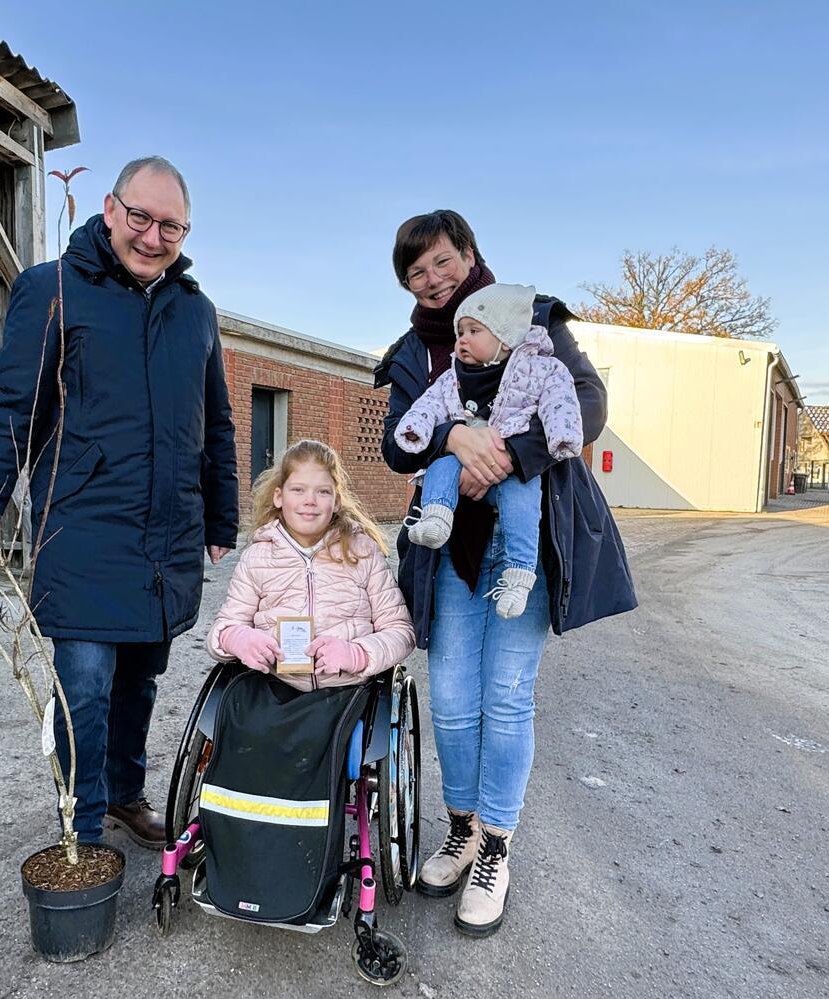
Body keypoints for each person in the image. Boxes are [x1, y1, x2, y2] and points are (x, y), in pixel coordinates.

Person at [0, 156, 239, 850]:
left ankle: (125, 794)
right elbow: (11, 411)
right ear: (109, 210)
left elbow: (215, 421)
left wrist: (221, 515)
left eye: (171, 225)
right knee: (86, 691)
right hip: (83, 530)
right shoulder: (52, 290)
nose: (153, 235)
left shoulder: (196, 312)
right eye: (141, 217)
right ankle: (84, 821)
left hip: (166, 536)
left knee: (141, 682)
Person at [375, 210, 636, 937]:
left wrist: (508, 455)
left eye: (441, 262)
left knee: (507, 695)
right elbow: (399, 445)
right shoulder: (410, 353)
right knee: (455, 698)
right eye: (416, 273)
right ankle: (461, 826)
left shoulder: (533, 318)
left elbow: (586, 405)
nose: (432, 281)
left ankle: (495, 846)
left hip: (524, 538)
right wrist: (458, 436)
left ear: (469, 255)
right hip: (450, 548)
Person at [397, 283, 583, 619]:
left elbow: (562, 402)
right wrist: (416, 430)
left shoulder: (541, 369)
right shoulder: (452, 376)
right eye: (459, 332)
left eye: (474, 331)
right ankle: (437, 517)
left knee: (523, 502)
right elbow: (427, 406)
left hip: (512, 471)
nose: (462, 340)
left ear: (506, 337)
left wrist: (563, 436)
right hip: (463, 474)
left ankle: (519, 573)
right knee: (440, 467)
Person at [207, 439, 414, 690]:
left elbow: (401, 631)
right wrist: (238, 638)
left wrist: (357, 654)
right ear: (279, 497)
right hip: (273, 691)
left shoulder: (363, 552)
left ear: (336, 501)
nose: (310, 500)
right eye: (298, 490)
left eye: (323, 491)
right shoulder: (257, 557)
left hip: (348, 692)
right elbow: (223, 628)